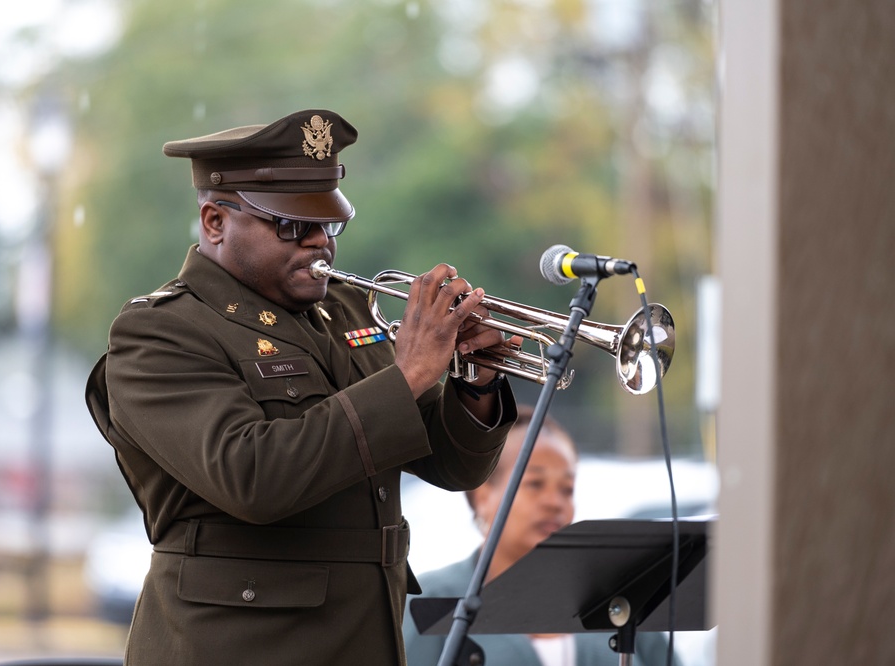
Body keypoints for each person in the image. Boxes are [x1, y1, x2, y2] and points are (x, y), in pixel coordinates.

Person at [84, 109, 518, 666]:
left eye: (328, 223)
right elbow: (254, 479)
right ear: (215, 221)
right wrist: (408, 374)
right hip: (240, 648)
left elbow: (454, 468)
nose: (319, 243)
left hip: (364, 636)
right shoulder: (160, 331)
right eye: (291, 225)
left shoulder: (346, 310)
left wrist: (473, 380)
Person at [403, 405, 677, 666]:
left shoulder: (620, 602)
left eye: (566, 489)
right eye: (535, 484)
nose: (555, 503)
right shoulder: (430, 601)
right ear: (481, 494)